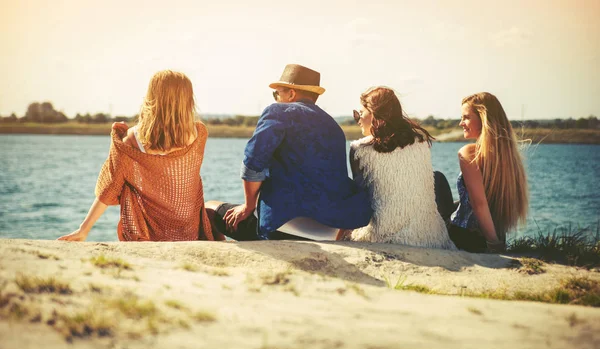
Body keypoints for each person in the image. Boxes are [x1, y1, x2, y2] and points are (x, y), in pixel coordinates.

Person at [206, 64, 372, 240]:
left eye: (277, 93)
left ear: (291, 93)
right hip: (331, 223)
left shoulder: (278, 112)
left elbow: (253, 165)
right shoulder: (333, 126)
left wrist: (248, 206)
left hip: (283, 224)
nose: (276, 98)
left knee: (209, 208)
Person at [58, 70, 215, 241]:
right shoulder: (199, 134)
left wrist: (84, 229)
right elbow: (169, 167)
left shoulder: (131, 139)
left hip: (147, 232)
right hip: (188, 228)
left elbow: (110, 187)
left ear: (151, 98)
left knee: (125, 181)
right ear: (188, 100)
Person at [338, 86, 455, 249]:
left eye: (360, 113)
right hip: (430, 235)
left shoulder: (359, 149)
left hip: (383, 236)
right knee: (438, 177)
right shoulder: (420, 141)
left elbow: (360, 200)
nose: (357, 119)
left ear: (375, 114)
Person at [436, 92, 529, 252]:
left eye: (466, 117)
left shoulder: (469, 153)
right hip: (495, 234)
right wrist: (497, 239)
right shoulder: (509, 157)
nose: (461, 123)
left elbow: (480, 204)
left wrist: (493, 245)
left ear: (483, 120)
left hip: (465, 237)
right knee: (458, 201)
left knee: (436, 178)